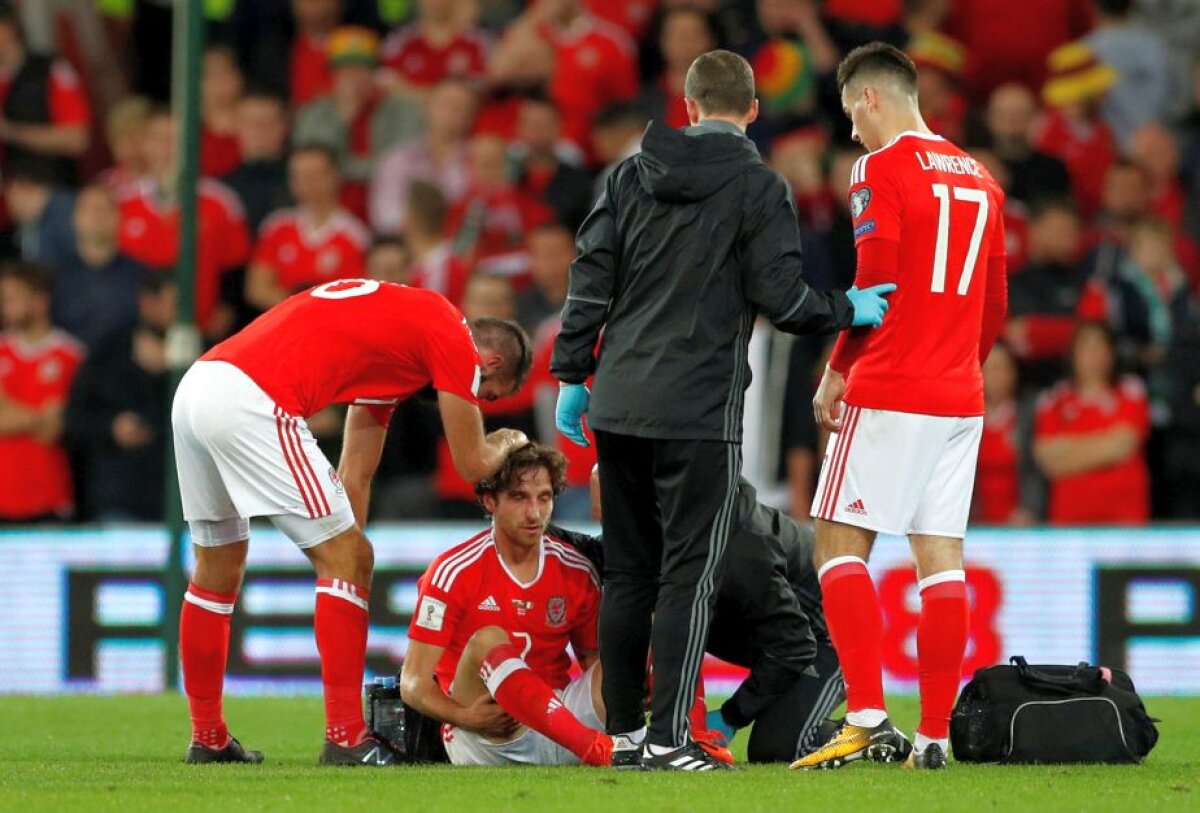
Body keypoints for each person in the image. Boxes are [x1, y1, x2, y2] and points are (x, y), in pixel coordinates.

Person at [551, 49, 891, 771]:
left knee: (629, 575)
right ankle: (671, 739)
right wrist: (848, 308)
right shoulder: (759, 186)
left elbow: (589, 274)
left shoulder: (631, 174)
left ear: (689, 106)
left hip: (618, 403)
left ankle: (625, 735)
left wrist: (573, 373)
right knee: (687, 577)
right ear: (753, 111)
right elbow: (783, 299)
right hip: (697, 410)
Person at [171, 279, 531, 766]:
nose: (473, 401)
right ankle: (345, 737)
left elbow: (355, 473)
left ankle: (208, 739)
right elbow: (474, 463)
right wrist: (509, 439)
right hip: (252, 401)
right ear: (489, 362)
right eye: (485, 395)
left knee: (218, 567)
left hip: (199, 385)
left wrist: (346, 570)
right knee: (347, 556)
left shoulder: (399, 348)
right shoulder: (453, 337)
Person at [796, 42, 1007, 772]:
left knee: (835, 542)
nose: (852, 131)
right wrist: (959, 369)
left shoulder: (877, 170)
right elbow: (994, 304)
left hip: (891, 385)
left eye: (850, 113)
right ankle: (935, 736)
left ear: (869, 97)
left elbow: (874, 283)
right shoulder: (982, 177)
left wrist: (836, 370)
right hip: (960, 395)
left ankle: (865, 718)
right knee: (940, 556)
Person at [559, 470, 845, 765]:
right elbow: (593, 550)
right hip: (778, 640)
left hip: (831, 637)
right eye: (603, 520)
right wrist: (539, 530)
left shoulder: (741, 551)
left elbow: (794, 646)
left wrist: (729, 717)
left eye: (615, 519)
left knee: (778, 748)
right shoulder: (657, 531)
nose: (613, 535)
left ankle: (859, 730)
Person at [399, 443, 612, 767]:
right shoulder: (452, 572)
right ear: (490, 501)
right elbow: (412, 683)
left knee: (629, 652)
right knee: (488, 639)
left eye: (544, 497)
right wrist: (465, 717)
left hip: (562, 724)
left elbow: (594, 662)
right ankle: (594, 749)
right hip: (490, 733)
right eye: (519, 497)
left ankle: (654, 743)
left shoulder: (576, 569)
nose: (534, 513)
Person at [64, 275, 174, 521]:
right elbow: (75, 419)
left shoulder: (202, 352)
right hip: (119, 498)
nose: (177, 312)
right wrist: (112, 427)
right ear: (147, 302)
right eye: (171, 303)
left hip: (182, 502)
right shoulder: (110, 350)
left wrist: (167, 373)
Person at [1033, 322, 1150, 525]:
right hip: (1070, 521)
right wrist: (1106, 444)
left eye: (1100, 346)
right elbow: (1048, 459)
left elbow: (1123, 445)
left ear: (1111, 353)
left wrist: (1068, 449)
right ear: (1073, 354)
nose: (1094, 355)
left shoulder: (1131, 390)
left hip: (1124, 519)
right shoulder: (1054, 399)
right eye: (1086, 347)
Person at [0, 262, 83, 522]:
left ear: (40, 301)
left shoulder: (71, 355)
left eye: (13, 298)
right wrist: (40, 417)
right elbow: (46, 421)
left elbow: (57, 426)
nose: (5, 306)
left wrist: (10, 411)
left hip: (49, 497)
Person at [245, 145, 369, 312]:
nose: (306, 183)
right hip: (283, 320)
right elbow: (257, 288)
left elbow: (353, 294)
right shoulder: (277, 226)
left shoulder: (355, 235)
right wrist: (297, 308)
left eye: (314, 175)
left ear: (335, 176)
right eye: (299, 176)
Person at [0, 1, 91, 185]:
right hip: (12, 193)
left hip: (53, 188)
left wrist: (11, 131)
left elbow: (77, 139)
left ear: (9, 27)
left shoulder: (50, 69)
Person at [51, 183, 146, 350]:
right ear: (74, 219)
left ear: (119, 217)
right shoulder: (54, 277)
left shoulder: (141, 275)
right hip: (71, 362)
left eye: (103, 209)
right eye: (88, 210)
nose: (96, 216)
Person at [220, 93, 293, 234]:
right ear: (237, 127)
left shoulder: (301, 184)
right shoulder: (223, 191)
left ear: (283, 126)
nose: (260, 130)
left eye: (268, 122)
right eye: (252, 123)